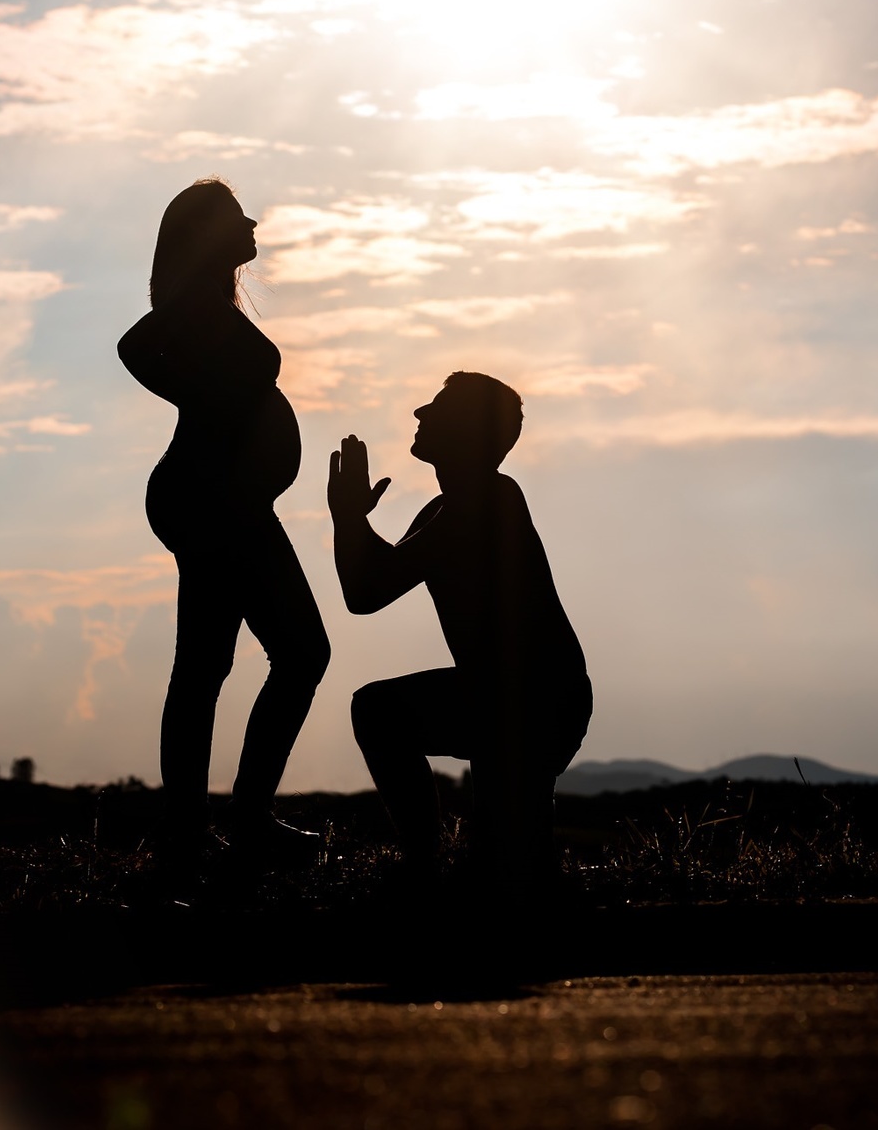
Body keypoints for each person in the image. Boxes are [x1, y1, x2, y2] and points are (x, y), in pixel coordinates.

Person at [118, 178, 329, 868]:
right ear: (207, 234)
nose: (253, 224)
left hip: (223, 499)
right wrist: (195, 396)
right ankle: (237, 821)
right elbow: (133, 346)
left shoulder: (209, 303)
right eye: (239, 217)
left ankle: (199, 827)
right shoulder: (191, 303)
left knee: (209, 663)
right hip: (214, 500)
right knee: (297, 653)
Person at [328, 372, 591, 900]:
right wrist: (349, 517)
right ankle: (433, 867)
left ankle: (427, 869)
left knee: (507, 879)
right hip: (500, 700)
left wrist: (349, 518)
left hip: (532, 703)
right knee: (503, 873)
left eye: (438, 408)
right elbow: (368, 589)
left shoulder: (489, 499)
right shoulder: (445, 510)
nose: (420, 413)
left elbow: (368, 588)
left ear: (468, 431)